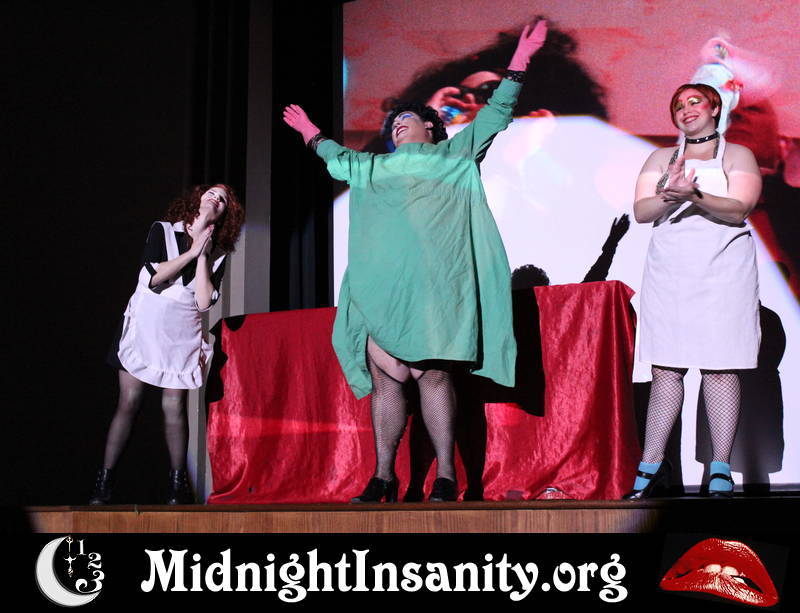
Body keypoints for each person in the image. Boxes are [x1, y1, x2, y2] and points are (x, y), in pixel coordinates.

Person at [283, 20, 548, 503]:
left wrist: (519, 60)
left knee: (434, 376)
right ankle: (383, 476)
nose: (398, 123)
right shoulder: (371, 168)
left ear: (432, 127)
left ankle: (446, 476)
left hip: (435, 291)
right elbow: (333, 154)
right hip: (382, 290)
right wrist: (309, 131)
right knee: (387, 382)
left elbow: (498, 111)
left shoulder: (456, 154)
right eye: (393, 122)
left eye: (408, 117)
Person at [624, 83, 762, 499]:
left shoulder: (738, 155)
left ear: (715, 107)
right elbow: (642, 210)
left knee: (720, 367)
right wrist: (670, 194)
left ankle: (720, 468)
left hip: (723, 271)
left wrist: (695, 194)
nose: (685, 109)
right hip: (671, 272)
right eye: (678, 105)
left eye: (694, 101)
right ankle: (650, 466)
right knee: (666, 369)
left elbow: (740, 207)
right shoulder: (659, 158)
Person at [89, 184, 244, 504]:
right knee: (129, 401)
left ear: (224, 214)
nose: (216, 198)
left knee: (173, 407)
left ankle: (177, 486)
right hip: (146, 323)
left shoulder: (218, 254)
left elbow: (204, 301)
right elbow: (152, 277)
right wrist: (191, 251)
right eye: (212, 193)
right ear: (198, 199)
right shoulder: (163, 231)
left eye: (223, 200)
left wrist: (203, 254)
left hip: (181, 331)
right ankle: (104, 482)